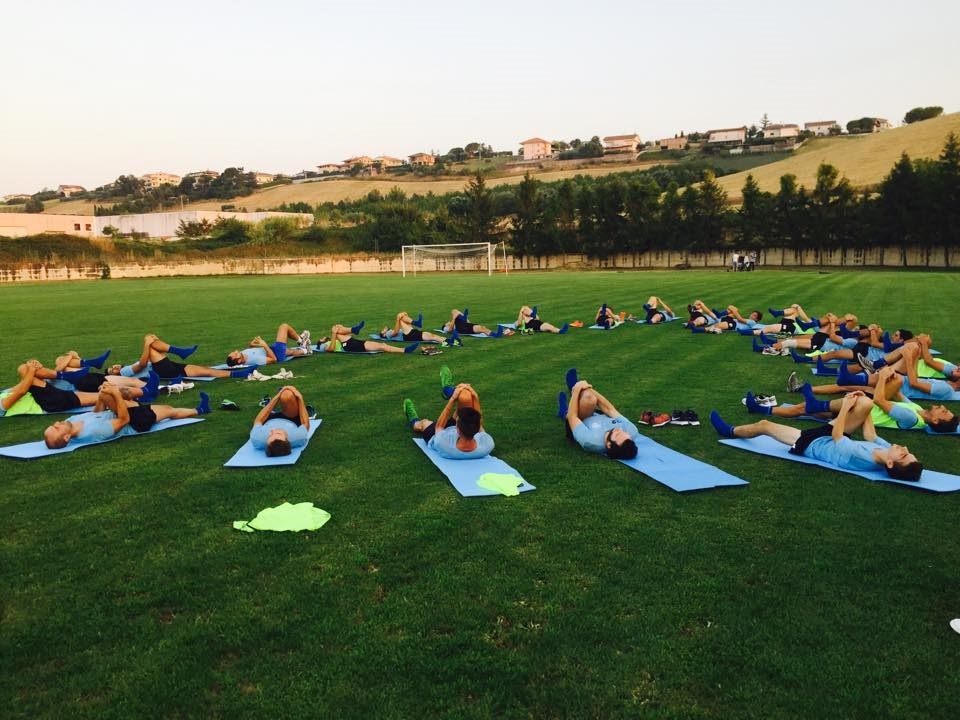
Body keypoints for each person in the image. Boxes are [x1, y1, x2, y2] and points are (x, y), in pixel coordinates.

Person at [710, 391, 923, 481]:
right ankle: (818, 404)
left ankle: (729, 431)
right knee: (865, 402)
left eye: (904, 456)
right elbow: (869, 434)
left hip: (813, 443)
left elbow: (837, 433)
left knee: (765, 426)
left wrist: (846, 408)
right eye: (909, 452)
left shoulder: (859, 456)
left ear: (891, 464)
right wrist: (864, 408)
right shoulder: (885, 452)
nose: (904, 449)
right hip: (832, 438)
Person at [43, 384, 210, 449]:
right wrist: (115, 395)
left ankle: (201, 409)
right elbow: (125, 420)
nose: (57, 422)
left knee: (106, 393)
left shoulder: (71, 422)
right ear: (66, 437)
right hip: (136, 422)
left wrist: (102, 398)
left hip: (121, 412)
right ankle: (200, 409)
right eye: (57, 427)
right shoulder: (93, 432)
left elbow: (97, 413)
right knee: (169, 411)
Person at [403, 368, 493, 459]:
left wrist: (453, 399)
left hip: (434, 435)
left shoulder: (442, 443)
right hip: (464, 429)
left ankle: (414, 421)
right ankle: (448, 390)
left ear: (457, 429)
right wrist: (475, 397)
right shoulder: (487, 445)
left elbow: (439, 427)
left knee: (425, 423)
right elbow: (479, 422)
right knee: (466, 395)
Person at [558, 369, 639, 459]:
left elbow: (572, 416)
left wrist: (577, 390)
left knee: (588, 399)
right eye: (624, 433)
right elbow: (610, 409)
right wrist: (586, 387)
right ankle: (577, 387)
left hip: (580, 419)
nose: (618, 429)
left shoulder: (590, 441)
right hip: (597, 415)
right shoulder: (631, 431)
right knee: (589, 396)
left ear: (609, 445)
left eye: (617, 434)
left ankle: (571, 394)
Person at [113, 334, 254, 380]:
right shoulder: (124, 372)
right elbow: (142, 364)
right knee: (149, 344)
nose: (115, 367)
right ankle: (181, 351)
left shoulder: (124, 369)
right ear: (115, 373)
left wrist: (151, 341)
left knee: (205, 371)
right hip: (162, 371)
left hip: (167, 365)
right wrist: (147, 344)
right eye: (112, 369)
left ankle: (239, 374)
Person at [250, 385, 312, 457]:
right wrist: (300, 398)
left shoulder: (257, 439)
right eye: (279, 433)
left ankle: (271, 402)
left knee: (283, 393)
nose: (273, 431)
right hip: (291, 419)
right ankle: (288, 396)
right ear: (287, 439)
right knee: (287, 395)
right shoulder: (298, 437)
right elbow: (305, 423)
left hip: (269, 420)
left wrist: (277, 396)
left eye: (270, 435)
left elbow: (259, 420)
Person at [226, 323, 313, 367]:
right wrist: (264, 345)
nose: (237, 351)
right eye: (236, 354)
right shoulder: (255, 360)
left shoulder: (242, 356)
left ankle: (306, 350)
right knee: (284, 327)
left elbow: (250, 349)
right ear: (239, 361)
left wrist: (252, 344)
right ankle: (301, 341)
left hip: (272, 350)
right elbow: (274, 360)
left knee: (289, 351)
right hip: (276, 355)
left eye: (234, 352)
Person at [321, 323, 421, 354]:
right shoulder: (323, 345)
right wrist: (334, 334)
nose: (322, 338)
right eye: (321, 339)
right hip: (349, 346)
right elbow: (331, 349)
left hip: (354, 343)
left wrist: (336, 331)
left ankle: (405, 350)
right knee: (336, 329)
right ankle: (353, 329)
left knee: (382, 345)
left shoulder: (337, 338)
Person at [380, 311, 446, 343]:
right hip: (408, 336)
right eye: (382, 330)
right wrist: (398, 319)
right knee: (400, 318)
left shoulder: (391, 330)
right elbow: (396, 332)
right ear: (384, 334)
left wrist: (404, 314)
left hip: (410, 333)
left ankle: (448, 341)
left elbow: (404, 324)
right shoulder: (388, 333)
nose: (383, 328)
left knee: (432, 335)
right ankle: (417, 323)